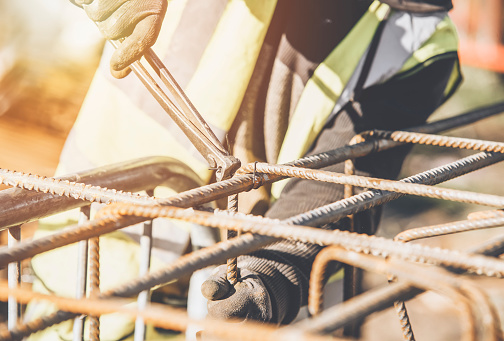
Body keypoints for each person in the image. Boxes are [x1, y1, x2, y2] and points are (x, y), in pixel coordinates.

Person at [26, 0, 462, 339]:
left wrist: (268, 273)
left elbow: (344, 185)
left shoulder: (415, 37)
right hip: (97, 244)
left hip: (234, 276)